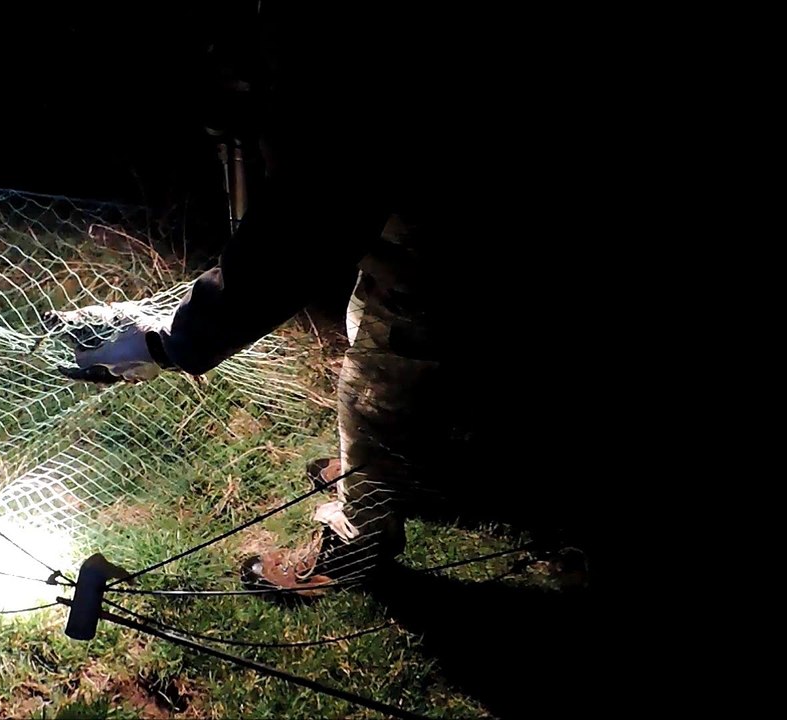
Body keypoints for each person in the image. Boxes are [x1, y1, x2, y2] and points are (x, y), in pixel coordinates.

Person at [48, 8, 592, 594]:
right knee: (378, 319)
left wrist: (174, 343)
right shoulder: (303, 45)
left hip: (467, 229)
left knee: (383, 380)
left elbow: (306, 222)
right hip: (422, 213)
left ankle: (362, 537)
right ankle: (393, 470)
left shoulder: (348, 62)